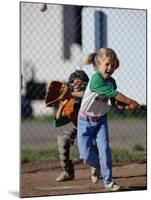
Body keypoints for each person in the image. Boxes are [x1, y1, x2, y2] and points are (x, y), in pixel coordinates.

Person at [77, 48, 140, 191]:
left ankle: (108, 182)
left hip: (100, 121)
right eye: (107, 64)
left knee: (104, 149)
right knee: (85, 156)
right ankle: (96, 166)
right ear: (98, 64)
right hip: (84, 120)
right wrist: (131, 100)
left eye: (112, 65)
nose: (110, 68)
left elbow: (114, 102)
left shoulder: (112, 82)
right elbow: (114, 94)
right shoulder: (95, 79)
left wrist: (125, 106)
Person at [52, 70, 99, 183]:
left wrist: (70, 94)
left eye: (81, 82)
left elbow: (84, 94)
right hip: (78, 128)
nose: (77, 85)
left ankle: (96, 167)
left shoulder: (89, 97)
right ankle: (68, 172)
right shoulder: (69, 101)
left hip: (91, 128)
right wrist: (62, 106)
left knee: (93, 144)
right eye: (74, 83)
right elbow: (58, 120)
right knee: (63, 140)